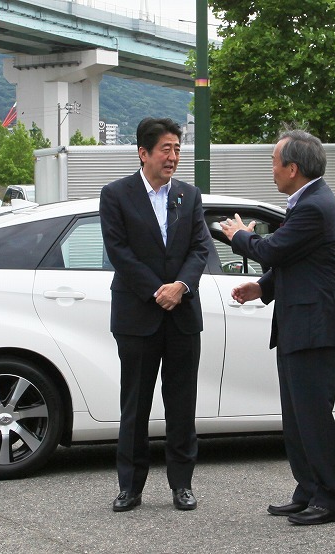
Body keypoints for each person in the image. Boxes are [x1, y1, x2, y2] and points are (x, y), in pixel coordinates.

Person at [220, 130, 335, 526]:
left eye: (275, 162)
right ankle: (308, 490)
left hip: (315, 326)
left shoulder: (314, 206)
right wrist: (261, 287)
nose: (272, 169)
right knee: (296, 417)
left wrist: (239, 235)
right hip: (300, 323)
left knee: (312, 416)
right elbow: (292, 261)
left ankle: (330, 499)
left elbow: (272, 250)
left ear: (293, 168)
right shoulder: (306, 202)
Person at [99, 117, 210, 512]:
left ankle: (182, 484)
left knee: (182, 404)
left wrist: (180, 286)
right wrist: (155, 290)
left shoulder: (189, 195)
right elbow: (119, 252)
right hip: (137, 316)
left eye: (178, 149)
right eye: (166, 149)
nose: (174, 157)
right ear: (143, 153)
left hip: (182, 315)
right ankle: (130, 486)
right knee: (136, 404)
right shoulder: (115, 195)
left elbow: (200, 249)